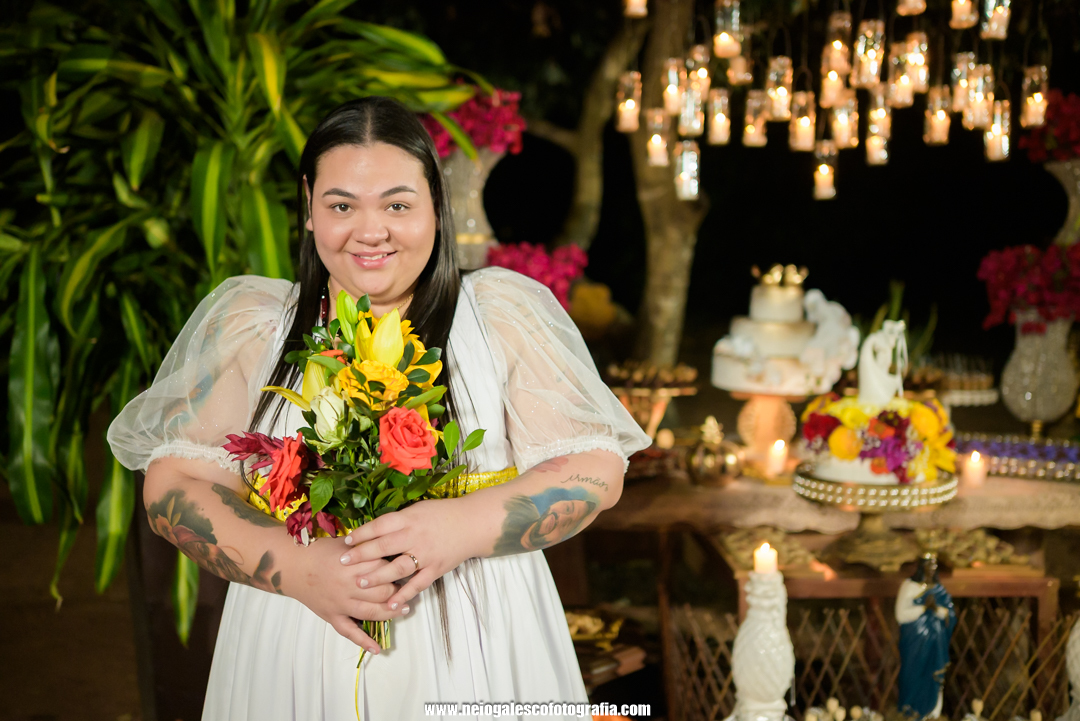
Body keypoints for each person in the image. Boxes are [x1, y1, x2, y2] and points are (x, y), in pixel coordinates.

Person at [106, 96, 652, 720]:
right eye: (342, 206)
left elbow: (595, 469)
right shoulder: (254, 329)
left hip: (478, 643)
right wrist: (294, 568)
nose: (371, 232)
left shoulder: (500, 315)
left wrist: (462, 526)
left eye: (397, 205)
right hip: (292, 645)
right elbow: (173, 486)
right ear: (308, 206)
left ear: (437, 205)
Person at [895, 553, 956, 720]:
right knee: (912, 674)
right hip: (914, 641)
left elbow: (949, 614)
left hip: (935, 642)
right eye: (928, 566)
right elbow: (901, 615)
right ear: (921, 567)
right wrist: (923, 608)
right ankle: (910, 711)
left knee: (933, 675)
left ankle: (932, 713)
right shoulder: (909, 586)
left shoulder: (938, 589)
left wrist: (935, 608)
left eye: (934, 566)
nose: (931, 570)